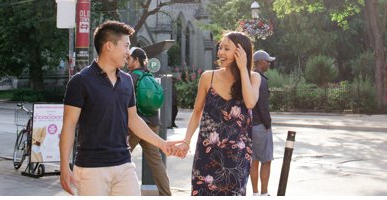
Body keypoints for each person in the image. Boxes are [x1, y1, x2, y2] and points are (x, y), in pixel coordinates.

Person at [59, 21, 185, 196]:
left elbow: (133, 120)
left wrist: (162, 144)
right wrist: (64, 165)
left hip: (124, 164)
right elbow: (69, 125)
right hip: (91, 167)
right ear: (109, 46)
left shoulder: (127, 80)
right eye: (126, 46)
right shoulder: (80, 81)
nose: (128, 52)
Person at [179, 31, 261, 195]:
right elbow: (196, 113)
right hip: (207, 155)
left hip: (236, 158)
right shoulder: (207, 77)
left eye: (226, 49)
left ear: (240, 52)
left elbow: (251, 102)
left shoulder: (253, 78)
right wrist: (186, 141)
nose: (220, 53)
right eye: (220, 48)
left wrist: (243, 69)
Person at [127, 46, 171, 196]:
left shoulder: (130, 77)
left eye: (129, 58)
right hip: (152, 124)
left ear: (137, 60)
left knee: (120, 158)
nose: (127, 61)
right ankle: (166, 194)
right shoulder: (150, 77)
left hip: (135, 125)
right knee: (156, 162)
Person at [250, 50, 275, 196]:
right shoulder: (262, 80)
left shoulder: (249, 77)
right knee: (266, 160)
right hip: (260, 126)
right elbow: (263, 106)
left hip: (249, 126)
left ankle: (255, 193)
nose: (269, 63)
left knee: (254, 160)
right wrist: (268, 125)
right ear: (260, 62)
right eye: (267, 61)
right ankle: (264, 194)